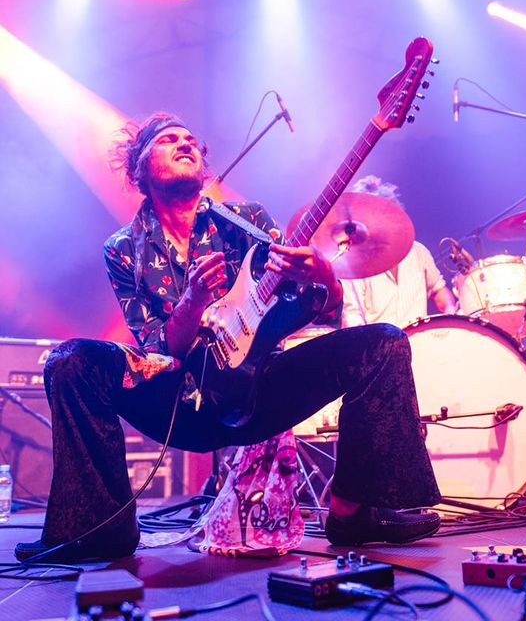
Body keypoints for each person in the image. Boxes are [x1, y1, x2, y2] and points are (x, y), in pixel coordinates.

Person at [15, 113, 441, 563]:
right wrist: (193, 301)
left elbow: (311, 307)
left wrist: (324, 278)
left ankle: (353, 513)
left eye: (190, 139)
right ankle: (100, 529)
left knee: (385, 344)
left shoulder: (246, 220)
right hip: (178, 401)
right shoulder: (123, 249)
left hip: (259, 388)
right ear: (141, 168)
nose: (185, 143)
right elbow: (158, 349)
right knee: (70, 360)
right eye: (168, 140)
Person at [340, 176, 457, 329]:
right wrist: (363, 338)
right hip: (381, 342)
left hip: (420, 339)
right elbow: (352, 315)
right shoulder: (354, 265)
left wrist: (449, 309)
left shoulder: (418, 252)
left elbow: (438, 289)